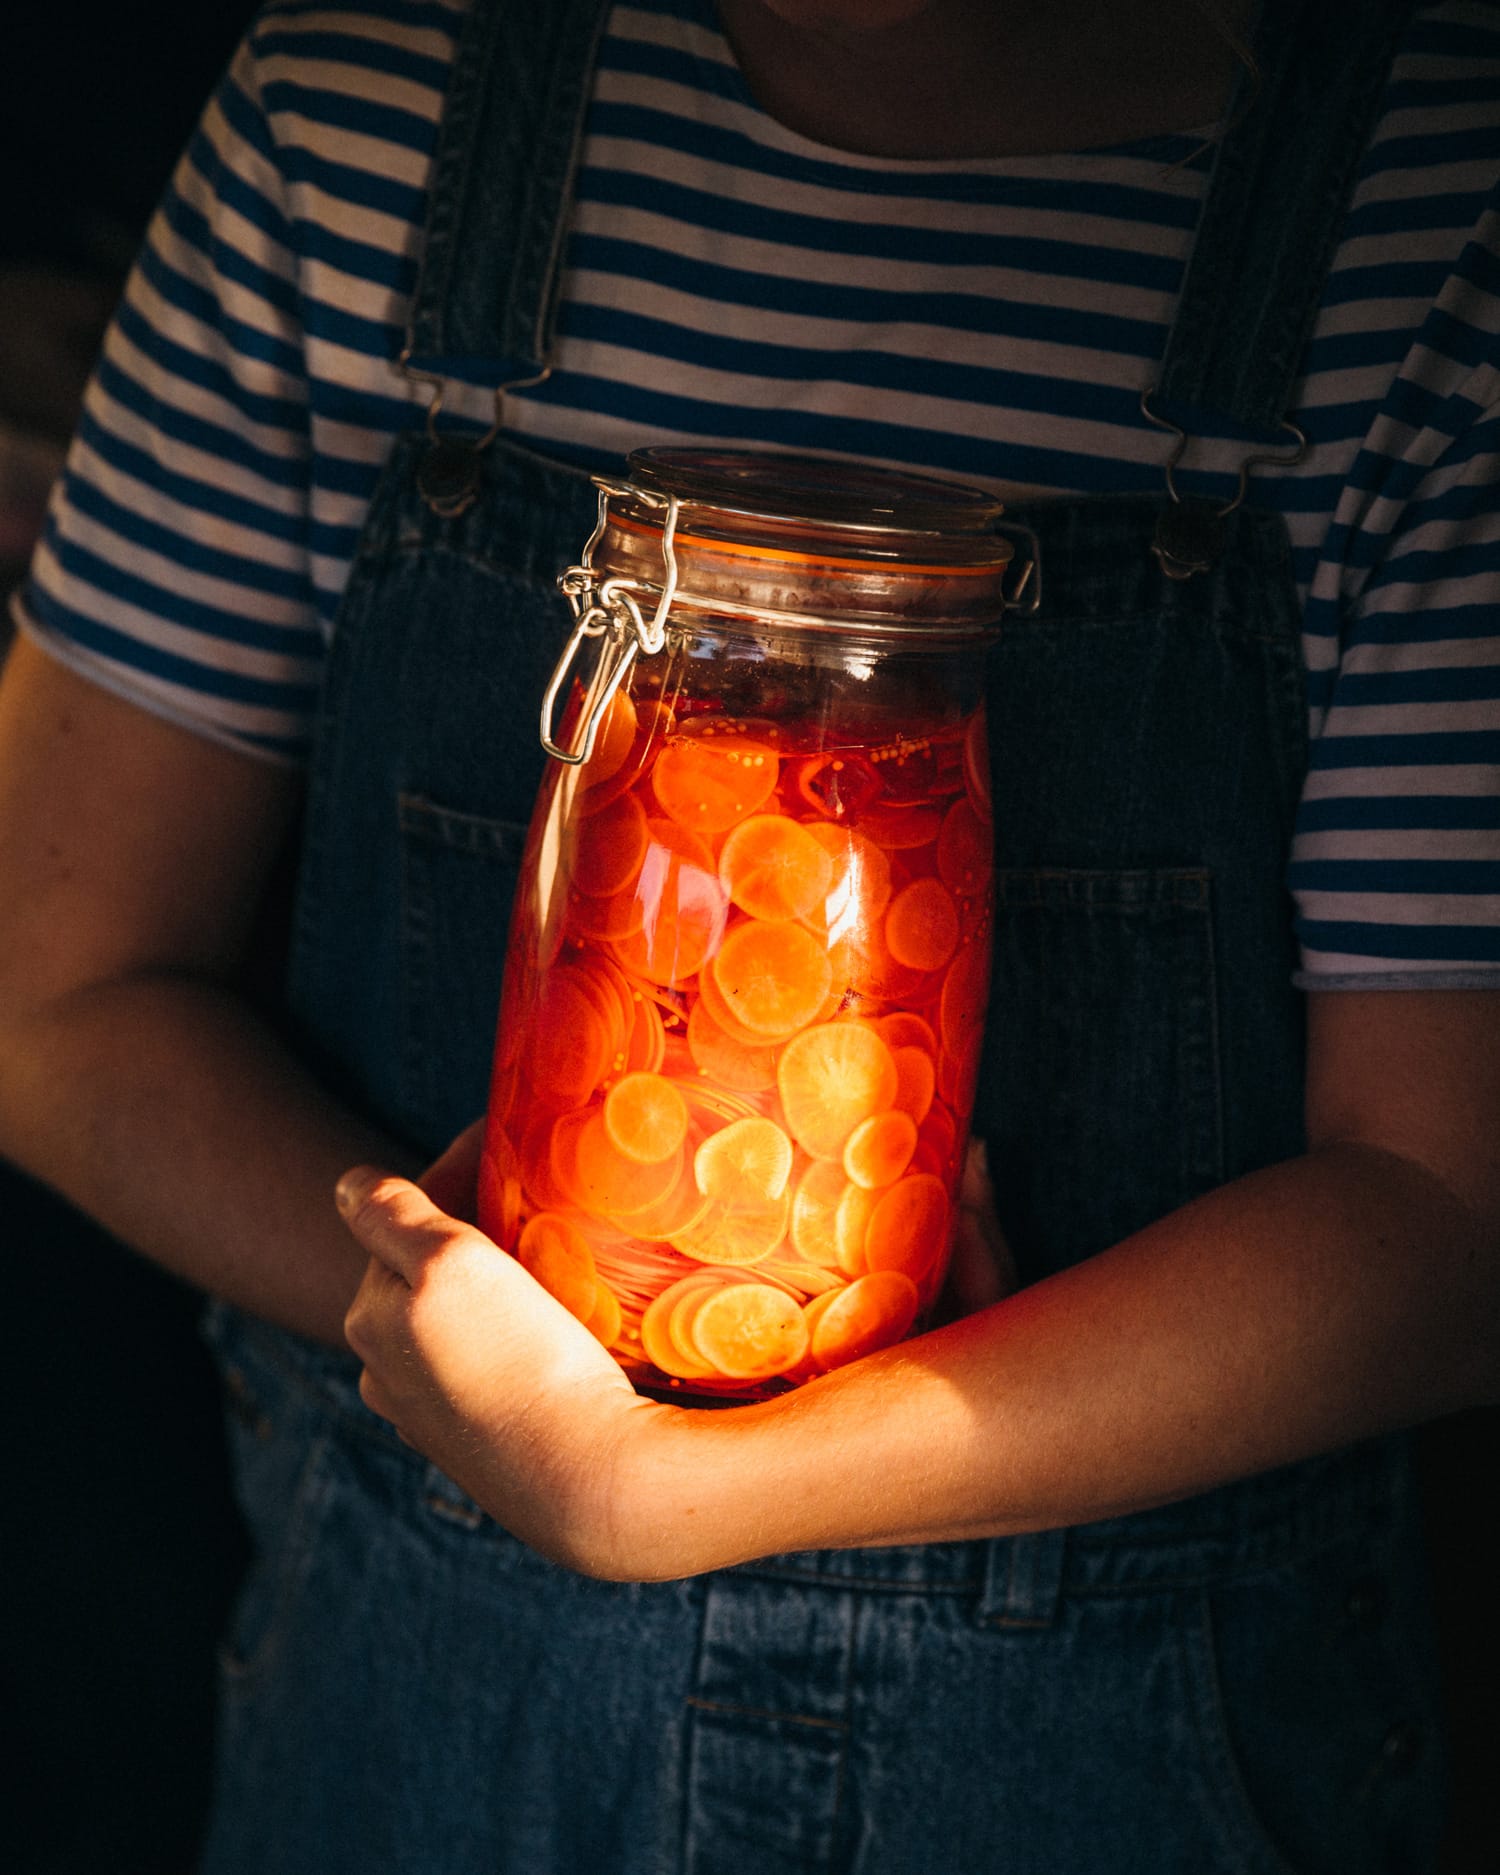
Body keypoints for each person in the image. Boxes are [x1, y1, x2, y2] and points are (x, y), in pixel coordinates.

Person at [0, 0, 1496, 1869]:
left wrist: (665, 1486)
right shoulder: (364, 104)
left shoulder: (1439, 192)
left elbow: (1456, 1217)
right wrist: (489, 1358)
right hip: (424, 1700)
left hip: (1117, 1761)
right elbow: (48, 998)